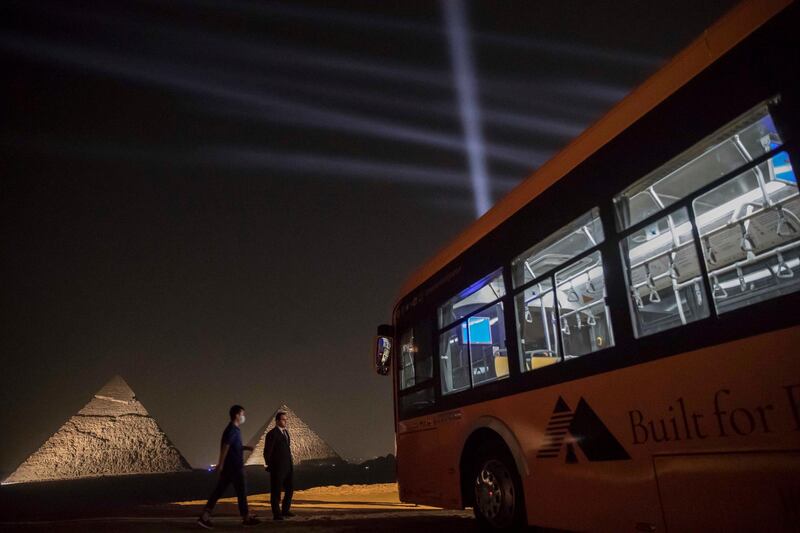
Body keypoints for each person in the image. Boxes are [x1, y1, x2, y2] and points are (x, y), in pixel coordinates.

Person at [197, 405, 260, 529]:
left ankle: (205, 516)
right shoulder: (232, 429)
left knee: (219, 492)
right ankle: (246, 518)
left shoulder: (234, 429)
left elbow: (233, 447)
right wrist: (220, 463)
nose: (244, 417)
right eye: (242, 414)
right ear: (237, 415)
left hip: (231, 468)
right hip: (235, 468)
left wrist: (246, 448)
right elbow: (226, 446)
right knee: (241, 492)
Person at [263, 410, 294, 520]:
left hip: (288, 467)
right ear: (277, 421)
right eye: (283, 419)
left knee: (290, 489)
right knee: (276, 491)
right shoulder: (272, 434)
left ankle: (285, 510)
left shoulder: (286, 433)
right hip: (277, 468)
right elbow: (267, 452)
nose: (285, 421)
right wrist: (270, 465)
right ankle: (277, 514)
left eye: (286, 419)